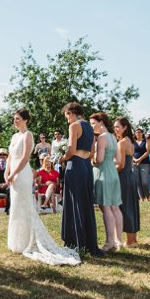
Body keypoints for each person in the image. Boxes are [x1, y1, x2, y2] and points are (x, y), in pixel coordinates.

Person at [5, 108, 80, 265]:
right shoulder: (14, 136)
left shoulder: (28, 135)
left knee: (24, 206)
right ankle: (16, 241)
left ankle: (27, 241)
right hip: (13, 174)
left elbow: (25, 158)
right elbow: (10, 156)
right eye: (14, 118)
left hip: (22, 174)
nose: (15, 121)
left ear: (25, 120)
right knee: (16, 207)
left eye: (18, 118)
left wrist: (14, 174)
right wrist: (7, 172)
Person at [58, 102, 102, 257]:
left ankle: (75, 241)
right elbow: (92, 152)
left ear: (71, 112)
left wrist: (62, 158)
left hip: (75, 165)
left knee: (74, 202)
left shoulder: (74, 126)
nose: (67, 120)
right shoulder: (90, 127)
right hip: (86, 166)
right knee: (85, 203)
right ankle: (88, 242)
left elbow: (71, 150)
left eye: (67, 116)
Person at [90, 113, 123, 251]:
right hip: (113, 172)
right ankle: (118, 240)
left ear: (101, 122)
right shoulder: (113, 137)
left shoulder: (102, 137)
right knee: (115, 207)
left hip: (103, 173)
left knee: (106, 207)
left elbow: (99, 160)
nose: (92, 126)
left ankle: (110, 242)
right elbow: (118, 160)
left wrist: (91, 161)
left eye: (93, 123)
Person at [114, 117, 139, 247]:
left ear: (125, 127)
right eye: (114, 127)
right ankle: (133, 239)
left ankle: (129, 241)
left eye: (118, 126)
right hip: (131, 176)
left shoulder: (122, 143)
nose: (115, 129)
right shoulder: (130, 141)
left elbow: (121, 165)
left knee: (125, 207)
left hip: (123, 176)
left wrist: (110, 171)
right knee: (131, 206)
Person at [131, 128, 150, 200]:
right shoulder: (132, 142)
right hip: (135, 164)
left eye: (139, 132)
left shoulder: (146, 141)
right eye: (136, 132)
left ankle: (147, 196)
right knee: (137, 182)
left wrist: (140, 159)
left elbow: (147, 152)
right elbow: (130, 152)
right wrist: (135, 160)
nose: (138, 133)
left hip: (145, 163)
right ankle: (142, 198)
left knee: (144, 182)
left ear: (142, 133)